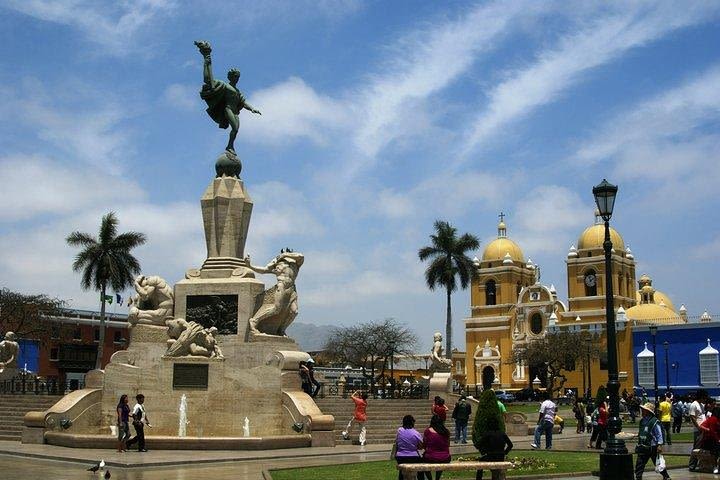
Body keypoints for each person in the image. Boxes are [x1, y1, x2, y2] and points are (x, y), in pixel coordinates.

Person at [194, 40, 262, 155]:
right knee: (234, 128)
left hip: (235, 112)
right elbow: (209, 81)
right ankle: (230, 146)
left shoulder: (237, 91)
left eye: (238, 77)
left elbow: (243, 102)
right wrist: (207, 59)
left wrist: (252, 109)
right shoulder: (225, 86)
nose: (236, 78)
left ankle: (230, 145)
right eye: (235, 76)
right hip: (228, 109)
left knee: (236, 130)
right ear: (230, 77)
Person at [634, 402, 670, 480]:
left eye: (643, 410)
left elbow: (659, 434)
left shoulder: (654, 421)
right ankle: (638, 478)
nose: (642, 411)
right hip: (643, 446)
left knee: (658, 463)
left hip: (652, 447)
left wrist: (659, 445)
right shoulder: (642, 421)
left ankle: (666, 477)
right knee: (639, 465)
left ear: (648, 411)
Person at [475, 415, 513, 480]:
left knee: (480, 462)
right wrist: (504, 452)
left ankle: (479, 478)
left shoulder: (488, 434)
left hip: (491, 456)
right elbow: (510, 445)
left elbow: (477, 445)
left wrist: (483, 450)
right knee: (496, 472)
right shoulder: (502, 433)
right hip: (501, 456)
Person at [394, 415, 424, 480]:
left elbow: (397, 441)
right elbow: (421, 446)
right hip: (413, 457)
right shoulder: (416, 433)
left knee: (402, 470)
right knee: (421, 469)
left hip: (400, 457)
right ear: (412, 423)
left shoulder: (399, 430)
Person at [422, 414, 451, 480]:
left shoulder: (428, 431)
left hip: (430, 457)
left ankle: (430, 479)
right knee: (440, 459)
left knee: (423, 460)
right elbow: (448, 444)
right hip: (445, 458)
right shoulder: (446, 431)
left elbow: (424, 445)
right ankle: (437, 478)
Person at [689, 390, 709, 471]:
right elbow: (692, 417)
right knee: (696, 447)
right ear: (701, 397)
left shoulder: (701, 405)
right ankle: (692, 465)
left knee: (702, 448)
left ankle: (700, 464)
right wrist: (698, 427)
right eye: (705, 397)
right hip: (699, 430)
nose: (705, 399)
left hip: (703, 429)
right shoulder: (694, 405)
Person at [699, 406, 720, 474]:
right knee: (714, 452)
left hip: (715, 439)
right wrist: (718, 440)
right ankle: (715, 466)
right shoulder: (713, 419)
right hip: (710, 440)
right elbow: (712, 432)